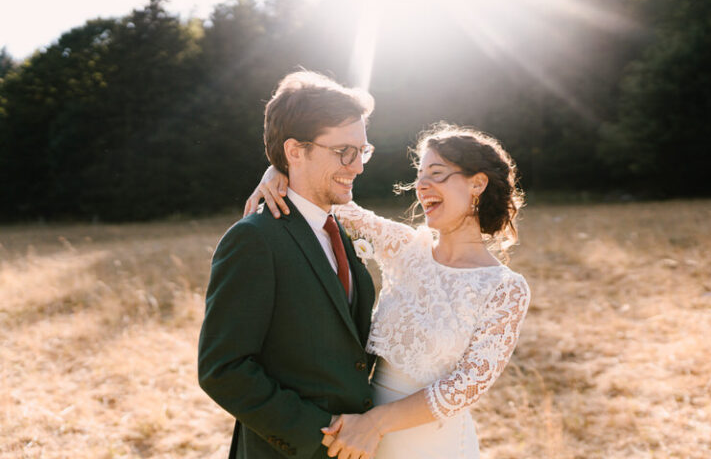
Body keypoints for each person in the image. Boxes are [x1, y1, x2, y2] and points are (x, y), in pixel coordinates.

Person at [245, 123, 531, 459]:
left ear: (477, 184)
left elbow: (466, 387)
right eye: (420, 176)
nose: (421, 185)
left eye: (436, 173)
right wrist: (279, 170)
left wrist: (375, 424)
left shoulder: (505, 288)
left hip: (430, 444)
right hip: (362, 439)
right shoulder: (406, 248)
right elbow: (333, 204)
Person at [198, 71, 379, 459]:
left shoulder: (341, 230)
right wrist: (321, 435)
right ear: (295, 151)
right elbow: (223, 369)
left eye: (362, 151)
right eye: (344, 151)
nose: (358, 167)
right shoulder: (255, 240)